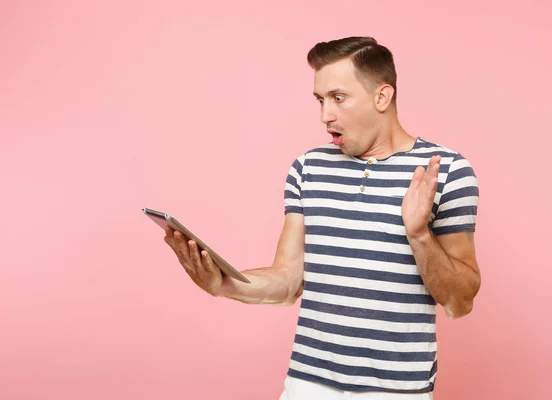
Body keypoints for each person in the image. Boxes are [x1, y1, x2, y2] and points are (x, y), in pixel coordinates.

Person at [163, 36, 481, 399]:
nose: (324, 115)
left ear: (382, 97)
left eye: (338, 98)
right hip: (307, 384)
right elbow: (288, 278)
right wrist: (223, 284)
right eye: (320, 100)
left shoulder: (448, 171)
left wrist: (419, 234)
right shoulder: (307, 168)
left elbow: (461, 300)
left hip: (396, 390)